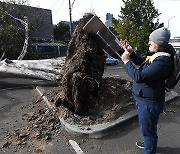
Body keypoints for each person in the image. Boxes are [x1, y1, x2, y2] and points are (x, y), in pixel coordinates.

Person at [120, 27, 175, 154]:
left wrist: (127, 61)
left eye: (151, 41)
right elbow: (143, 62)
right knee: (148, 128)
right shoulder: (157, 55)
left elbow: (140, 76)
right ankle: (148, 143)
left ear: (159, 43)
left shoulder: (164, 61)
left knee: (148, 130)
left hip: (149, 103)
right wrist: (131, 53)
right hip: (144, 99)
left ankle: (149, 149)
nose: (148, 43)